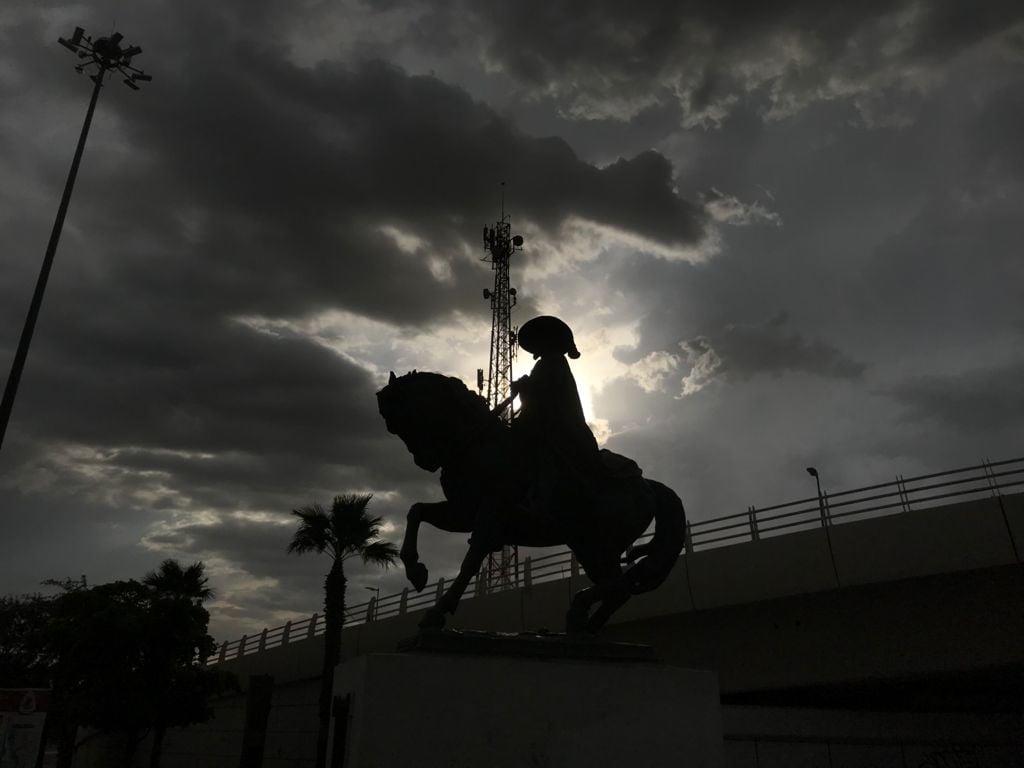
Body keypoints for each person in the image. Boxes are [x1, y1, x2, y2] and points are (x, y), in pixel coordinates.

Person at [512, 316, 604, 514]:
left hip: (559, 424)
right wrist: (525, 388)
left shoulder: (553, 362)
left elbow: (546, 395)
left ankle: (540, 498)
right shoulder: (546, 363)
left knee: (542, 454)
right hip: (543, 421)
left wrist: (526, 387)